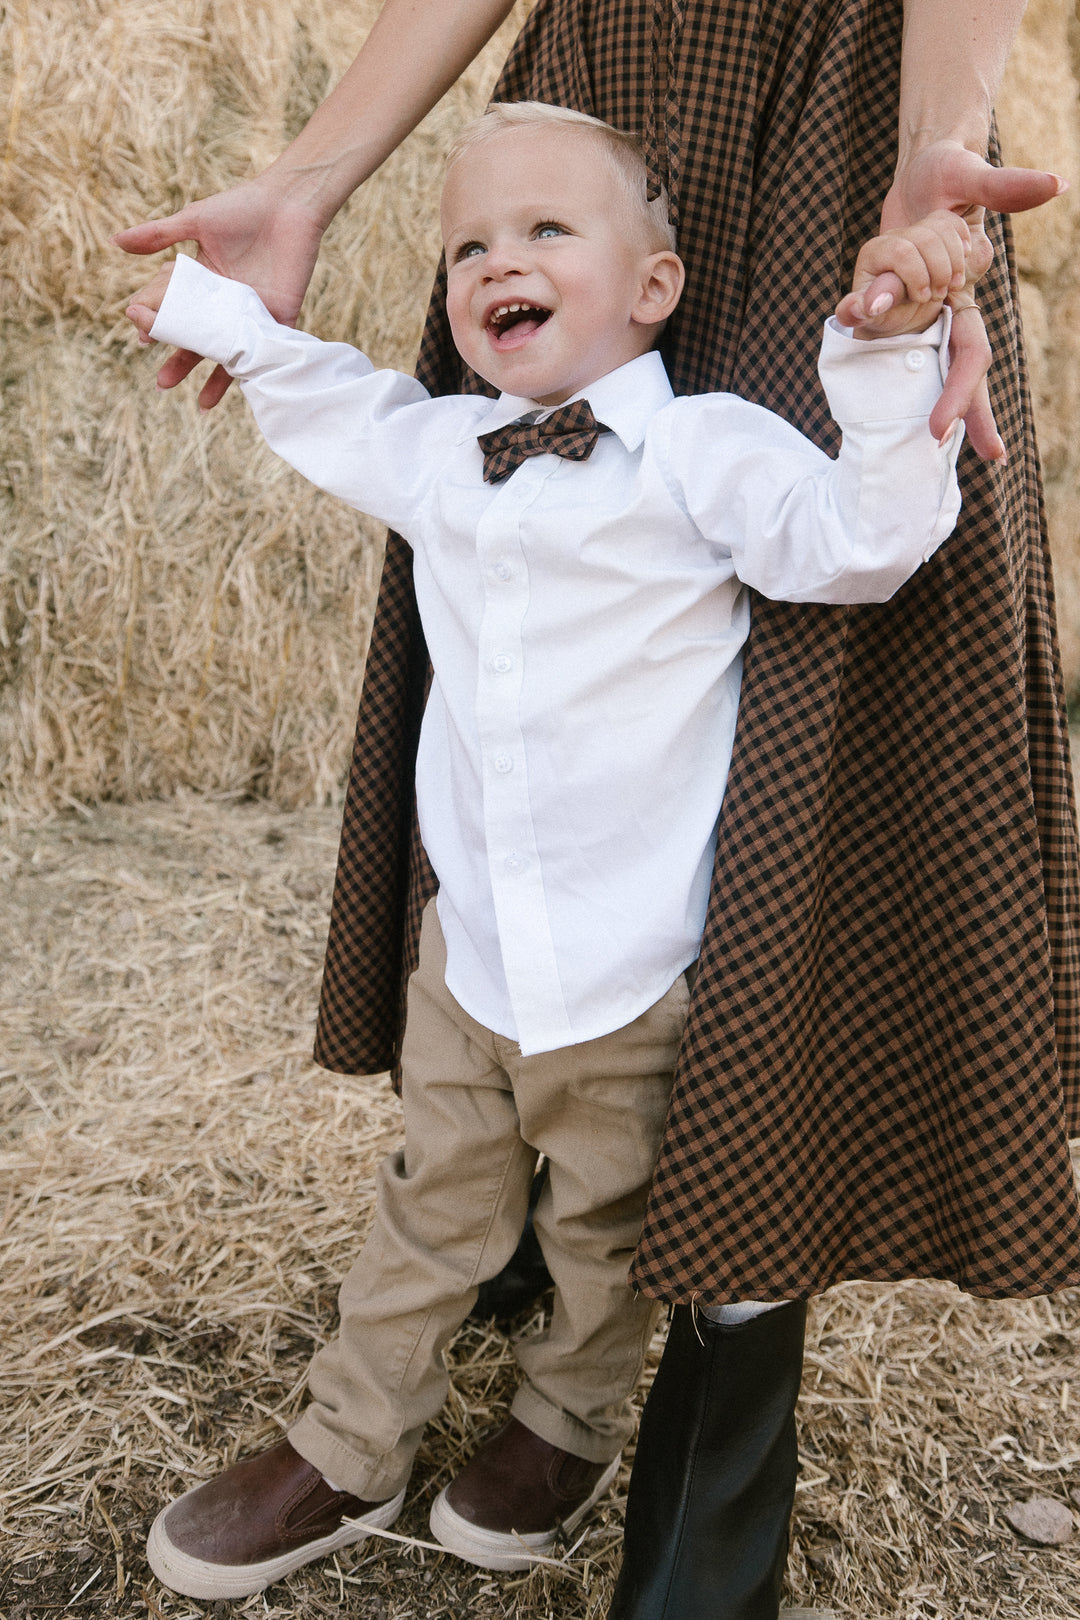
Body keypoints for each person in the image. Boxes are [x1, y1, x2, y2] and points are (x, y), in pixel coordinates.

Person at [116, 3, 1080, 1615]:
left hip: (637, 971)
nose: (494, 260)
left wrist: (888, 349)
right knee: (437, 1201)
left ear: (651, 286)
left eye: (542, 233)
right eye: (469, 247)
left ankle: (573, 1433)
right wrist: (252, 270)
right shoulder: (446, 450)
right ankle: (353, 1445)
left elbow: (860, 539)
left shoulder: (706, 452)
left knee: (619, 1233)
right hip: (476, 957)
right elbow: (330, 406)